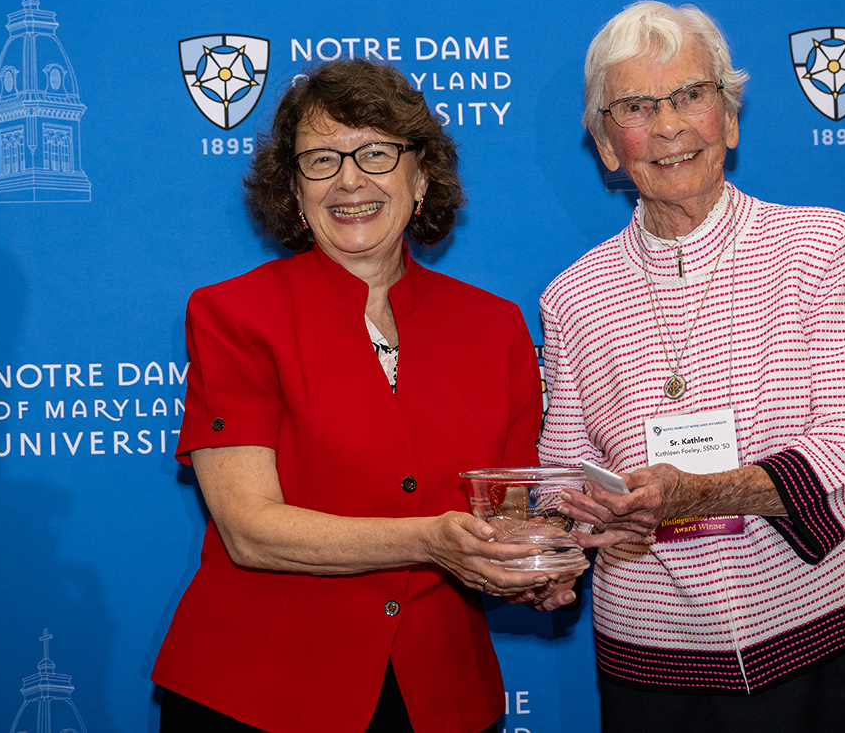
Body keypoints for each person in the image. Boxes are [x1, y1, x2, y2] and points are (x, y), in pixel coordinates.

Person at [540, 2, 845, 732]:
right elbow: (568, 470)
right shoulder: (572, 297)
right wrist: (556, 547)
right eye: (636, 106)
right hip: (661, 671)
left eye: (691, 95)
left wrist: (695, 495)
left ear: (729, 119)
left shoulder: (824, 245)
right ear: (607, 144)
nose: (668, 126)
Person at [151, 59, 563, 733]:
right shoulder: (234, 315)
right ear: (294, 188)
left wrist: (532, 570)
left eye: (375, 152)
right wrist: (432, 540)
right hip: (261, 695)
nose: (349, 179)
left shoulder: (496, 328)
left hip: (443, 698)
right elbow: (250, 531)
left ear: (422, 176)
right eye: (321, 159)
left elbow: (504, 514)